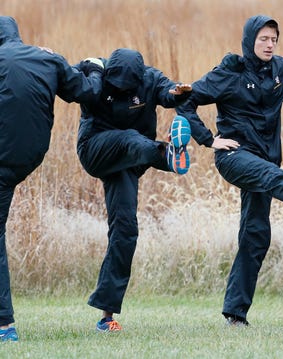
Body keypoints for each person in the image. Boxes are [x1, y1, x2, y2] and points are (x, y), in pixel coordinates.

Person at [177, 15, 283, 327]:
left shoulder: (281, 70)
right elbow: (186, 101)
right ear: (250, 40)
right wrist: (209, 140)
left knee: (256, 235)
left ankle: (235, 314)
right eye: (264, 39)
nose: (270, 44)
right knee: (272, 178)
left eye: (274, 39)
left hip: (266, 164)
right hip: (234, 156)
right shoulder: (230, 71)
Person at [0, 16, 104, 342]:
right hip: (27, 157)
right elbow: (89, 92)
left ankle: (5, 326)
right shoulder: (47, 58)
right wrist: (96, 67)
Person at [76, 48, 192, 332]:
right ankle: (168, 155)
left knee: (126, 229)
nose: (123, 90)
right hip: (96, 149)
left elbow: (166, 92)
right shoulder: (96, 71)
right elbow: (62, 78)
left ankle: (106, 316)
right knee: (131, 138)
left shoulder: (150, 78)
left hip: (129, 161)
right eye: (118, 86)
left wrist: (177, 93)